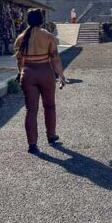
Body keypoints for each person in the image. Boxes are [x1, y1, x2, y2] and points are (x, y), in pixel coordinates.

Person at [14, 9, 67, 154]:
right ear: (41, 20)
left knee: (31, 110)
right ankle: (51, 135)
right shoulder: (48, 37)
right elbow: (55, 59)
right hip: (45, 73)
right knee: (49, 105)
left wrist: (20, 74)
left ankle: (32, 144)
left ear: (28, 21)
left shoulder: (21, 38)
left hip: (28, 73)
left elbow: (20, 62)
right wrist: (61, 76)